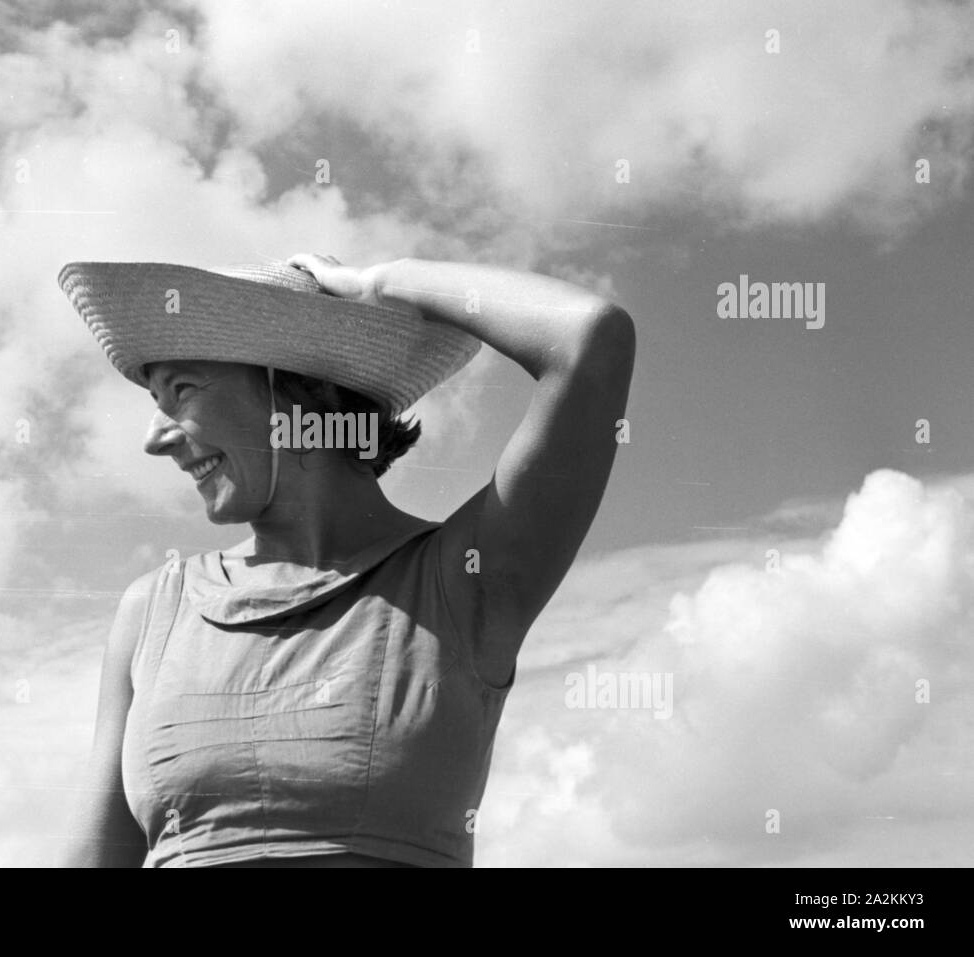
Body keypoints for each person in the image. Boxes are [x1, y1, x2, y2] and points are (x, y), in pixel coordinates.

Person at [59, 253, 635, 867]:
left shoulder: (464, 578)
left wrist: (379, 286)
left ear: (298, 392)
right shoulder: (154, 609)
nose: (156, 436)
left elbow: (589, 338)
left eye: (181, 389)